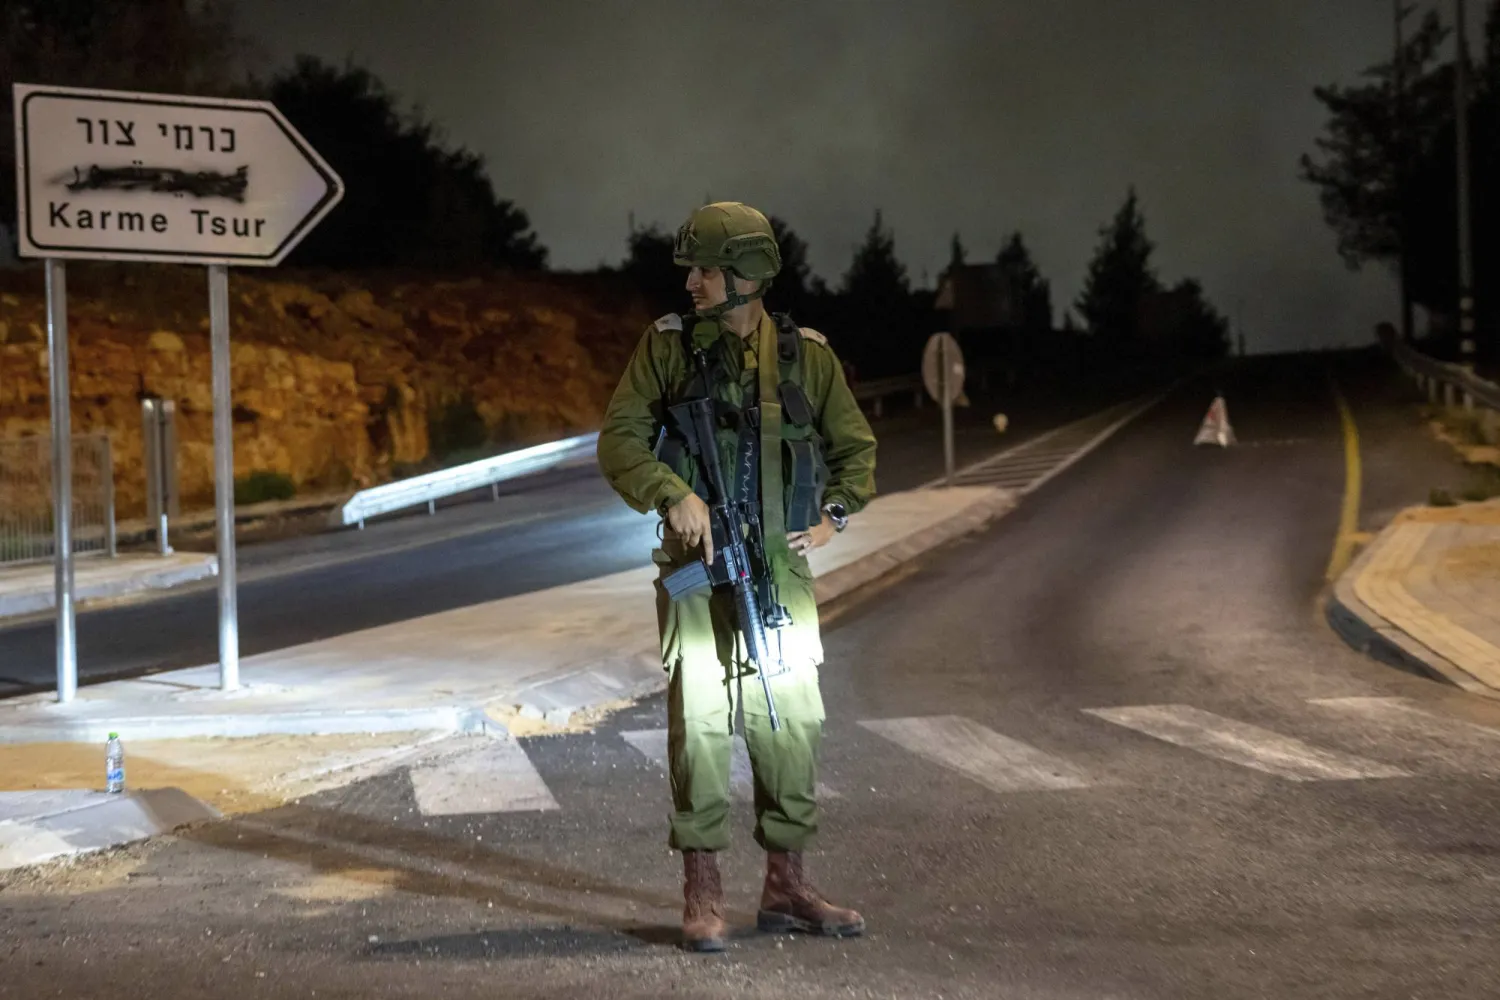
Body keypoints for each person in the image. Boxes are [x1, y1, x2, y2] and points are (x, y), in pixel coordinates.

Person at [596, 201, 877, 952]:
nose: (691, 282)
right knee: (700, 720)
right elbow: (620, 440)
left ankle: (788, 884)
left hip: (779, 572)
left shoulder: (805, 357)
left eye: (706, 269)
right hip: (697, 569)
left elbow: (855, 449)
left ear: (747, 275)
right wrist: (672, 492)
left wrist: (834, 515)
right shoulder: (665, 349)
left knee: (792, 722)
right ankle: (703, 891)